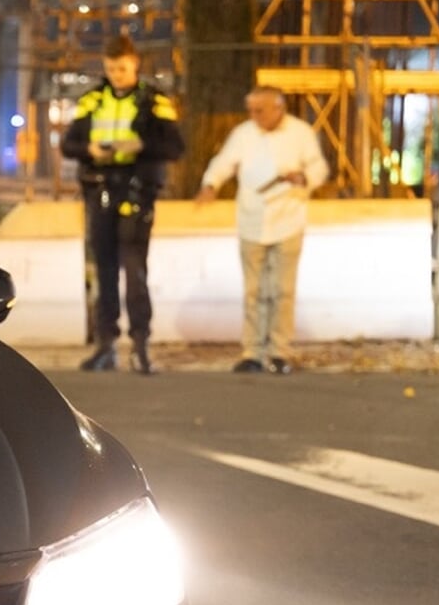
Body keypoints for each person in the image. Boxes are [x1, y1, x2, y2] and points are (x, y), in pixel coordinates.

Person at [61, 35, 184, 374]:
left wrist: (139, 145)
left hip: (136, 191)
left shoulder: (154, 101)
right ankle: (106, 345)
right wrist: (89, 150)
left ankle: (140, 345)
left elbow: (175, 147)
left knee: (135, 270)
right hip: (99, 189)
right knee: (104, 270)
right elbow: (69, 144)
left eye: (122, 69)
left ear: (135, 65)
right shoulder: (92, 100)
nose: (116, 75)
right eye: (111, 69)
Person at [195, 86, 329, 374]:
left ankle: (280, 351)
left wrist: (303, 177)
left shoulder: (300, 133)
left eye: (260, 110)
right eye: (251, 110)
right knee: (253, 291)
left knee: (282, 290)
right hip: (251, 221)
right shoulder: (244, 133)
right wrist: (211, 184)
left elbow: (318, 168)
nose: (254, 116)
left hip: (288, 219)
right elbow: (223, 162)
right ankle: (252, 351)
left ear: (278, 108)